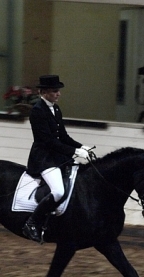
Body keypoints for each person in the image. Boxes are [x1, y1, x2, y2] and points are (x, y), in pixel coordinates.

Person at [22, 75, 92, 242]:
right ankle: (32, 223)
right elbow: (48, 141)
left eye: (58, 90)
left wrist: (81, 147)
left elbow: (63, 136)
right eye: (55, 91)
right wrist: (74, 152)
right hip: (43, 158)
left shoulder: (56, 108)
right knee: (59, 191)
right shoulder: (37, 111)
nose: (58, 94)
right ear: (44, 92)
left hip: (56, 155)